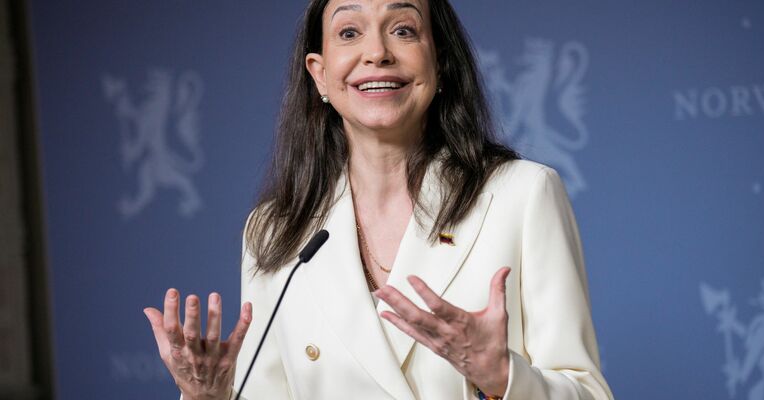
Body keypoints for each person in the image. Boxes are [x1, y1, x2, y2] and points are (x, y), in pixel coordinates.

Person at [143, 0, 614, 399]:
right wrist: (207, 397)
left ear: (440, 63)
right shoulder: (274, 229)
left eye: (403, 30)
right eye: (349, 32)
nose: (376, 53)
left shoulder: (522, 194)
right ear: (321, 75)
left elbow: (587, 391)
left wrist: (503, 377)